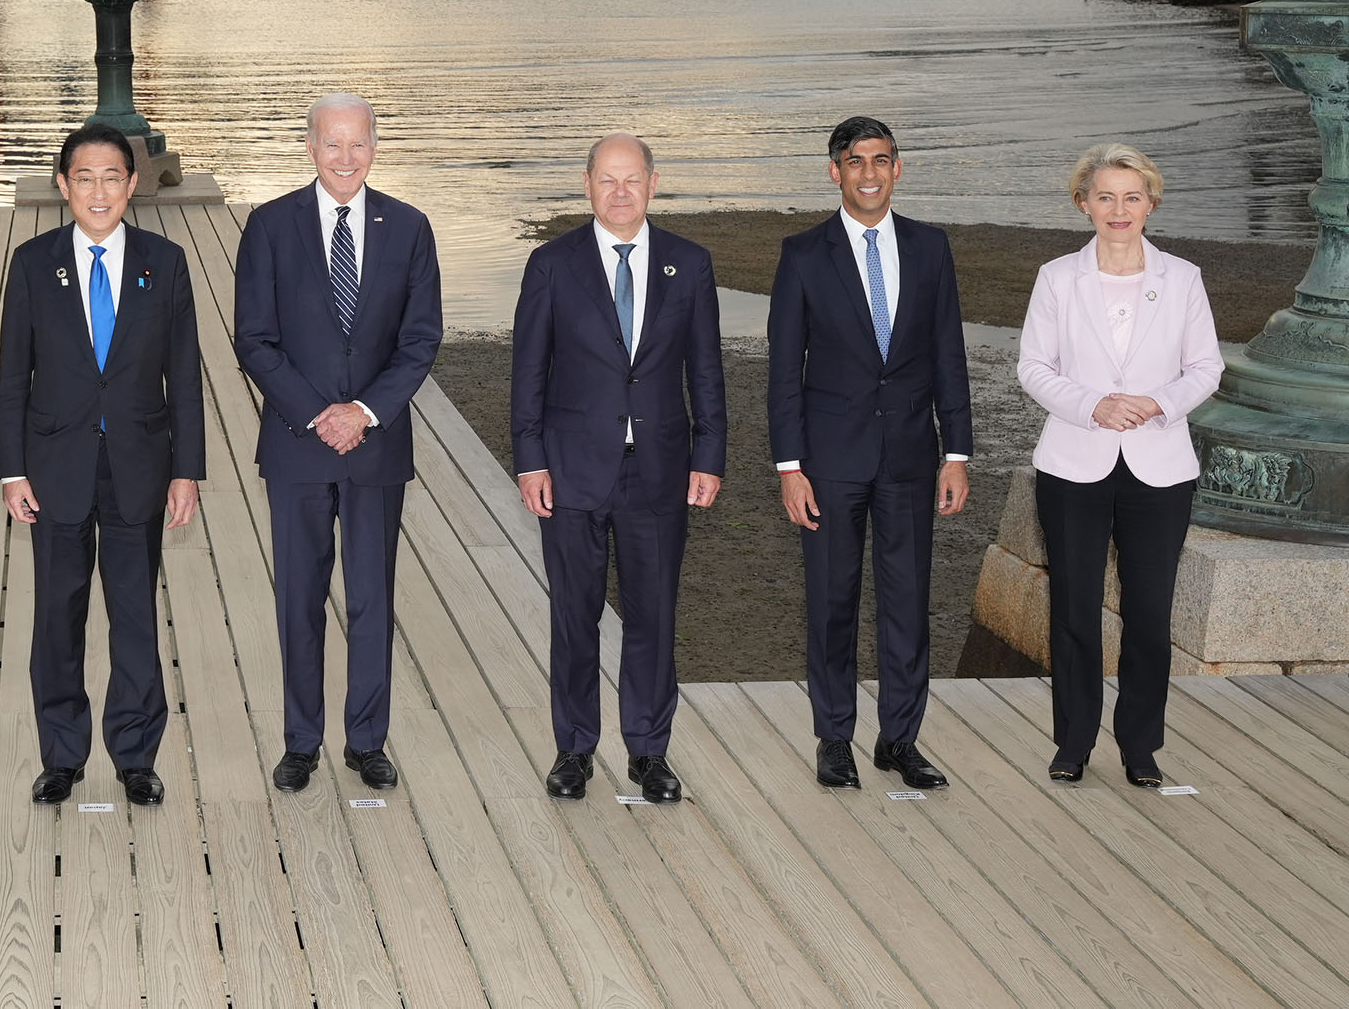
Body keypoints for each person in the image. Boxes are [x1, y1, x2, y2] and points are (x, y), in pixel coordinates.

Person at [233, 93, 442, 793]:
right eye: (332, 143)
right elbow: (254, 338)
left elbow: (420, 340)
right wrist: (319, 411)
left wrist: (363, 410)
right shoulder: (268, 226)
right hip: (297, 444)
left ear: (375, 146)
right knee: (298, 596)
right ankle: (300, 741)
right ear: (308, 144)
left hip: (376, 446)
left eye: (358, 144)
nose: (345, 157)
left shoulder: (410, 227)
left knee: (370, 600)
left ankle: (366, 740)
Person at [512, 135, 725, 804]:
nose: (621, 191)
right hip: (571, 469)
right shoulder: (552, 264)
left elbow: (707, 372)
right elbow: (527, 373)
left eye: (632, 179)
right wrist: (530, 460)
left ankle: (648, 751)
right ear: (587, 185)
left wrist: (710, 454)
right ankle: (574, 749)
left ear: (654, 184)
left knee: (653, 615)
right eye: (608, 179)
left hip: (661, 469)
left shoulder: (689, 265)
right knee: (574, 616)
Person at [0, 123, 204, 807]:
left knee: (135, 613)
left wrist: (186, 471)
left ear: (132, 183)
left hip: (140, 464)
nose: (98, 190)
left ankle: (135, 754)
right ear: (63, 185)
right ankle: (62, 752)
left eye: (111, 176)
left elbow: (185, 375)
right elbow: (12, 378)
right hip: (55, 465)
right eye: (83, 177)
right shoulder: (31, 263)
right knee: (58, 613)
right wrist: (10, 469)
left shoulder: (165, 263)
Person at [767, 117, 971, 791]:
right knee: (831, 600)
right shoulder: (803, 254)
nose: (870, 173)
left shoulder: (930, 248)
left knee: (908, 602)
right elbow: (782, 370)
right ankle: (834, 737)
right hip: (828, 460)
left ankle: (899, 740)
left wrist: (958, 451)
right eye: (856, 161)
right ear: (835, 171)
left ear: (898, 168)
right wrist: (789, 467)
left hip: (913, 455)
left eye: (882, 160)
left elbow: (949, 353)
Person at [1017, 144, 1221, 787]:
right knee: (1074, 610)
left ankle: (1140, 748)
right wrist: (1093, 406)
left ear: (1151, 203)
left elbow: (1206, 369)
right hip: (1074, 464)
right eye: (1105, 196)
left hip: (1161, 470)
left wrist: (1155, 405)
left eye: (1132, 196)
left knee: (1150, 614)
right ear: (1084, 203)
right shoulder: (1056, 278)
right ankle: (1073, 745)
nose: (1119, 209)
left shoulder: (1183, 278)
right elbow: (1033, 368)